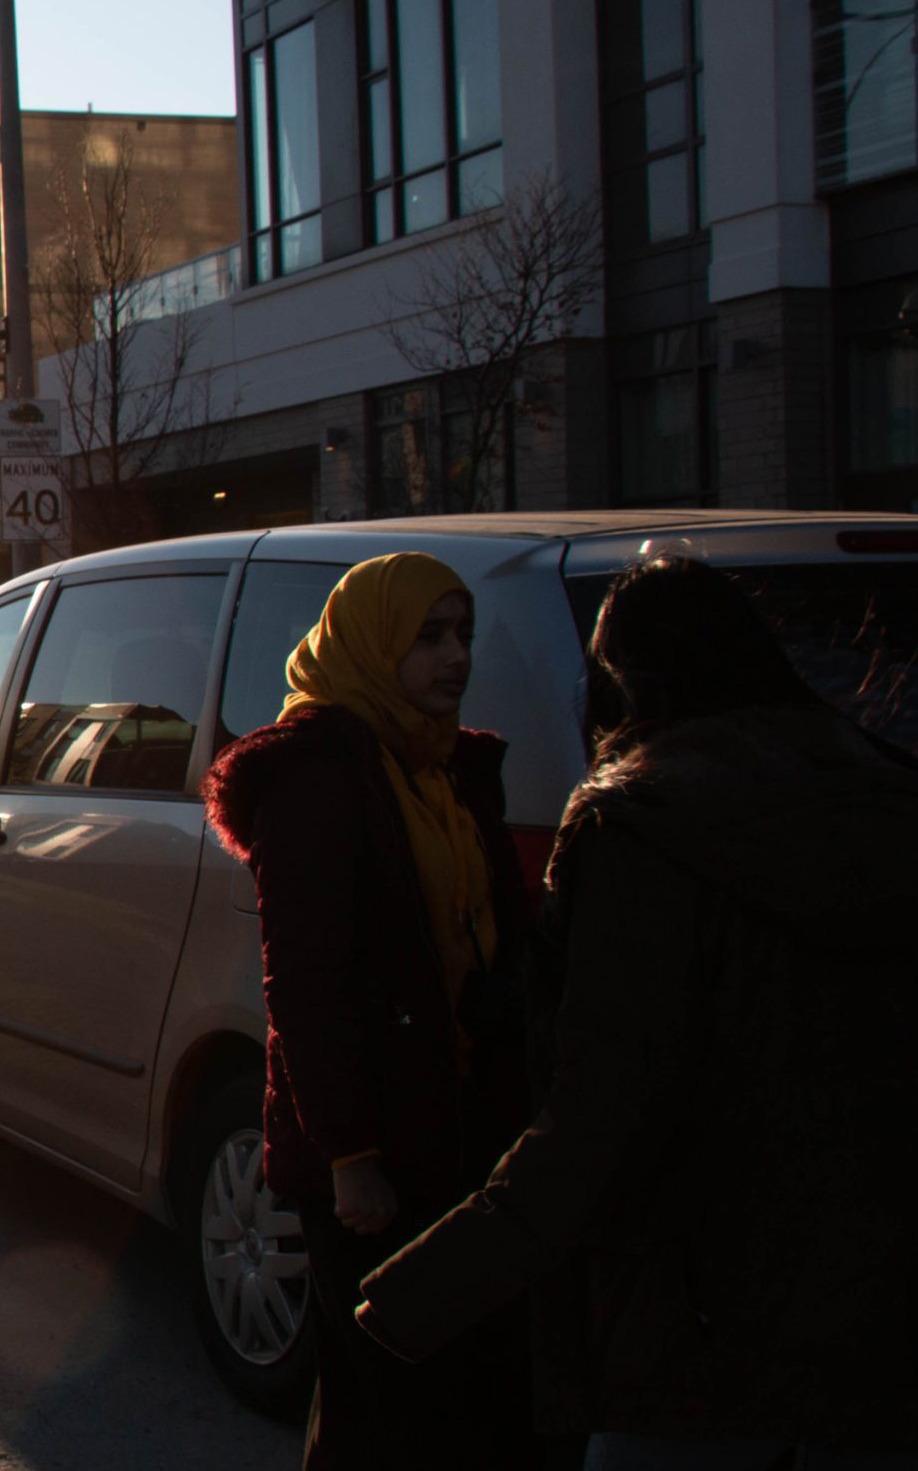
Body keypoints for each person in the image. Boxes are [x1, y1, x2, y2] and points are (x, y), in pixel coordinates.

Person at [356, 556, 918, 1468]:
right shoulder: (897, 795)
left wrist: (417, 1293)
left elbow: (598, 1117)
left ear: (624, 681)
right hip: (896, 1320)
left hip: (705, 1324)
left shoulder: (643, 824)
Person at [205, 551, 534, 1469]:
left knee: (438, 1397)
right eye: (427, 636)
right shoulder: (317, 774)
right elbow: (307, 981)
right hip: (369, 1151)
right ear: (371, 641)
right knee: (384, 1400)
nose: (453, 656)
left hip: (457, 1123)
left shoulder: (446, 768)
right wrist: (350, 1153)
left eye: (462, 633)